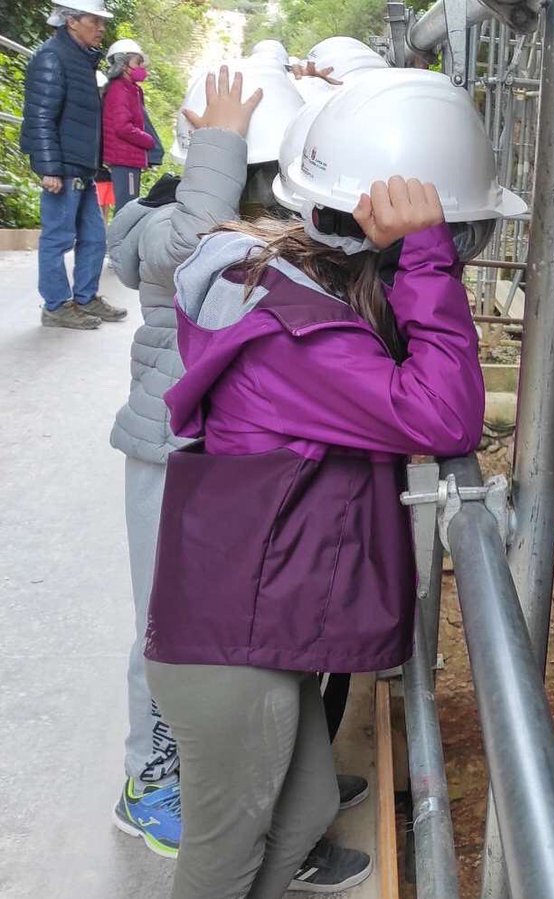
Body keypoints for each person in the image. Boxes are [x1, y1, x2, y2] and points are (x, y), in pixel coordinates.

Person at [140, 68, 520, 899]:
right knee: (222, 860)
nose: (453, 256)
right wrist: (425, 257)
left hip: (245, 626)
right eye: (451, 239)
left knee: (306, 805)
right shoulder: (297, 336)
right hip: (230, 652)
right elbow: (445, 417)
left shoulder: (295, 296)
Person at [107, 64, 368, 893]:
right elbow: (195, 236)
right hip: (168, 452)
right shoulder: (167, 222)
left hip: (217, 461)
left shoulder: (239, 222)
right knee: (168, 627)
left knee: (237, 639)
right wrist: (218, 141)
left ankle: (281, 801)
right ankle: (151, 784)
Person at [19, 1, 127, 329]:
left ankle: (85, 297)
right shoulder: (52, 57)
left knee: (94, 236)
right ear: (71, 21)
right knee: (58, 237)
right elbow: (39, 116)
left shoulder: (80, 59)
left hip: (80, 167)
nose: (101, 28)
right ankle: (55, 305)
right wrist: (48, 168)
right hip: (62, 167)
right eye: (95, 20)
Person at [101, 38, 155, 211]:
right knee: (126, 209)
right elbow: (122, 127)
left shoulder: (131, 89)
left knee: (128, 206)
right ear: (124, 65)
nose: (142, 68)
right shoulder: (120, 90)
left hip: (129, 159)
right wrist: (148, 141)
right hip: (124, 159)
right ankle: (120, 239)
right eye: (138, 63)